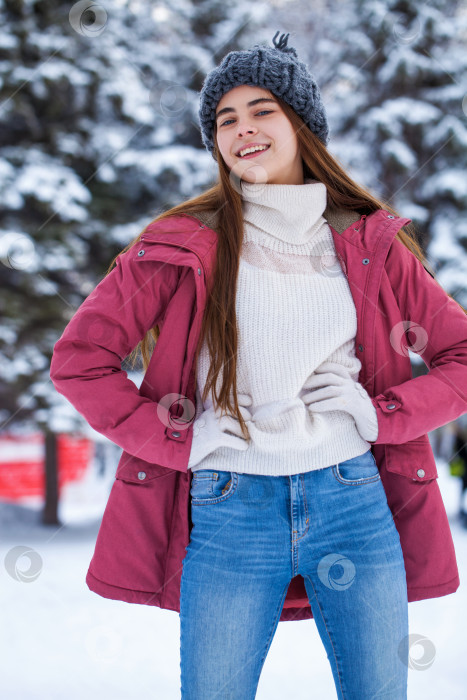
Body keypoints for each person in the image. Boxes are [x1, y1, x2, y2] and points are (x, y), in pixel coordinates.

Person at [49, 31, 467, 700]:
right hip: (229, 508)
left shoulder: (371, 243)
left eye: (261, 110)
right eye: (225, 119)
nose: (242, 129)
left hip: (352, 502)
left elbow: (460, 355)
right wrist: (177, 440)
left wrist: (380, 414)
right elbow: (79, 361)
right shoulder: (178, 245)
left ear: (302, 123)